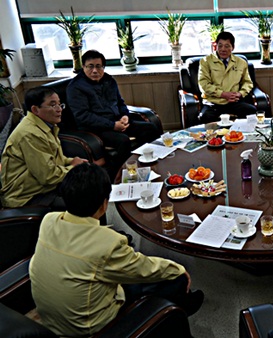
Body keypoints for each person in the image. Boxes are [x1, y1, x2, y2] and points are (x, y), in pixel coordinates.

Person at [29, 163, 203, 337]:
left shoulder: (49, 220)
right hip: (90, 329)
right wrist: (178, 268)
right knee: (173, 279)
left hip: (52, 320)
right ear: (104, 204)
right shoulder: (106, 244)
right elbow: (144, 268)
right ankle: (183, 306)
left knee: (125, 264)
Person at [66, 50, 160, 178]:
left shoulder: (109, 80)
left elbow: (120, 103)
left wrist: (125, 116)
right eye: (90, 66)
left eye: (98, 66)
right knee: (122, 141)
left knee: (150, 128)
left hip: (117, 121)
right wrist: (112, 125)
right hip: (95, 128)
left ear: (103, 67)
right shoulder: (75, 87)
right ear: (83, 67)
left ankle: (148, 165)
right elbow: (83, 116)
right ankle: (119, 176)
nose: (94, 70)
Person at [0, 86, 87, 208]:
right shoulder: (30, 134)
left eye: (59, 104)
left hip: (40, 186)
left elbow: (51, 159)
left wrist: (71, 161)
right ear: (35, 109)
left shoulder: (45, 124)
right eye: (53, 105)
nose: (59, 109)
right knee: (86, 202)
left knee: (92, 187)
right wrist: (72, 167)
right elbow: (49, 177)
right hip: (26, 196)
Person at [198, 31, 256, 124]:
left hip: (234, 102)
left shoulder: (241, 62)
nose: (223, 49)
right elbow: (204, 85)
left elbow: (247, 83)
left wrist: (240, 94)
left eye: (227, 46)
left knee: (251, 111)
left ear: (233, 47)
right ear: (215, 46)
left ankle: (242, 137)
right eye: (220, 46)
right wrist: (223, 94)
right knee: (205, 117)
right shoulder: (205, 61)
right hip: (213, 102)